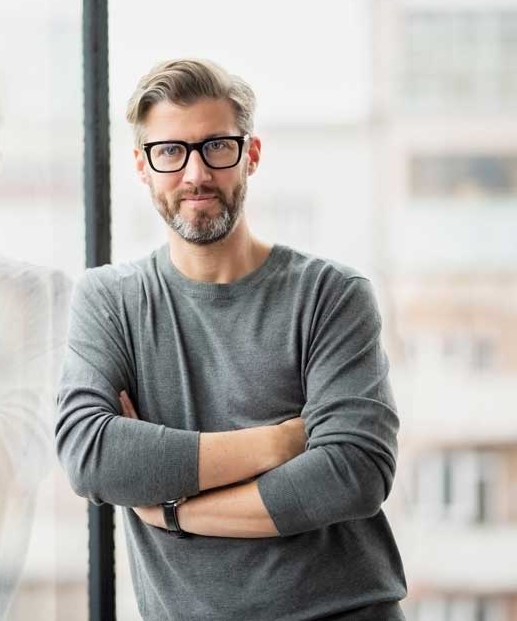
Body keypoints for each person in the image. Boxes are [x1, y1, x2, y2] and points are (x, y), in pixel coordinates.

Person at [55, 58, 407, 620]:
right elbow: (90, 454)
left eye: (217, 147)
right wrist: (276, 444)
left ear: (251, 155)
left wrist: (175, 511)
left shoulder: (331, 295)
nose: (195, 174)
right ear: (142, 166)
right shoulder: (110, 300)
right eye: (170, 151)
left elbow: (354, 473)